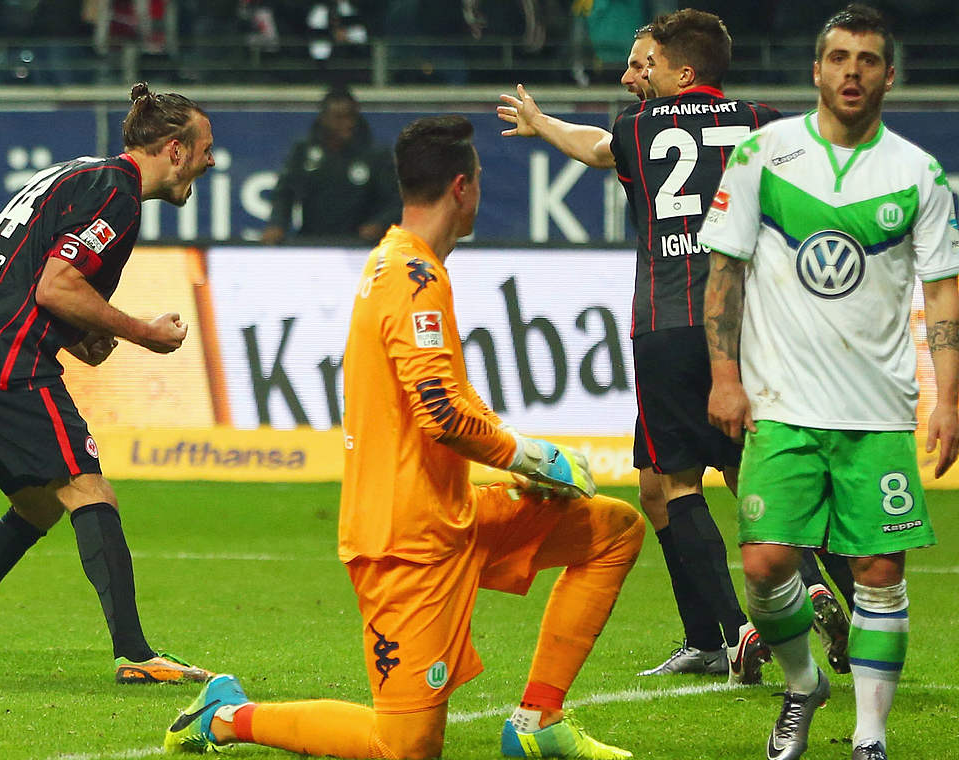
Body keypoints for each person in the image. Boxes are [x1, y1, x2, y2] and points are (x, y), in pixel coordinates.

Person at [161, 115, 645, 760]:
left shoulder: (409, 267)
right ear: (463, 189)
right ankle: (225, 715)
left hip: (454, 510)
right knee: (406, 747)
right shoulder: (410, 278)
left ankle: (539, 724)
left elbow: (454, 396)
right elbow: (440, 413)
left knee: (613, 530)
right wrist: (534, 454)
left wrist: (517, 463)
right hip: (404, 541)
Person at [498, 10, 810, 683]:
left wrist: (545, 124)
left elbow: (598, 148)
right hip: (745, 324)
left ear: (679, 69)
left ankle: (749, 631)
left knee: (695, 479)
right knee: (661, 484)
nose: (632, 76)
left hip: (670, 320)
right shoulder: (762, 120)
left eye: (645, 65)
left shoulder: (639, 130)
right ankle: (712, 636)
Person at [700, 5, 959, 759]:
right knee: (764, 563)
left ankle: (869, 738)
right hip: (780, 403)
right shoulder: (762, 156)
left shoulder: (917, 172)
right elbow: (725, 273)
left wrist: (948, 400)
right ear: (816, 70)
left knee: (879, 571)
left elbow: (942, 293)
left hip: (877, 410)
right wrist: (725, 377)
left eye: (868, 60)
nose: (853, 71)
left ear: (890, 74)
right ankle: (802, 682)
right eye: (840, 57)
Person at [0, 83, 217, 685]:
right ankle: (135, 654)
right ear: (175, 150)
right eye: (205, 149)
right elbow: (56, 287)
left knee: (38, 503)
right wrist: (140, 331)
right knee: (88, 488)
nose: (209, 161)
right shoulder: (117, 195)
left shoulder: (78, 174)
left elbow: (30, 274)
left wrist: (83, 335)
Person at [261, 85, 401, 245]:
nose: (347, 123)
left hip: (360, 245)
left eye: (351, 116)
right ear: (324, 118)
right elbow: (285, 193)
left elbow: (395, 201)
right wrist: (277, 224)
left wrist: (379, 224)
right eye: (339, 117)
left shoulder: (375, 154)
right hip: (312, 241)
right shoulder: (304, 151)